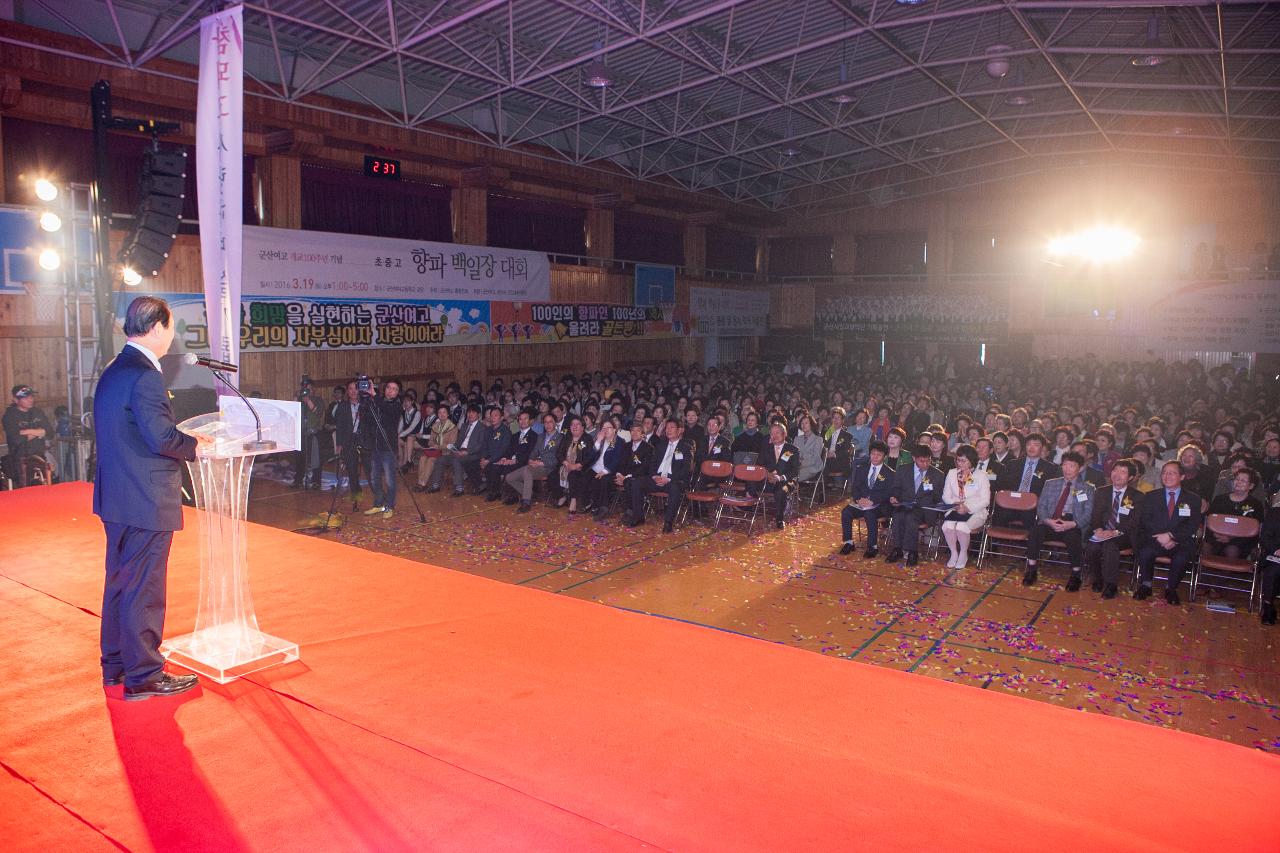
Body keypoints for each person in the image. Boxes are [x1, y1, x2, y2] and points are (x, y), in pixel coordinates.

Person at [93, 296, 209, 701]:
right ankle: (144, 675)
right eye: (172, 326)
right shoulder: (144, 374)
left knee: (120, 584)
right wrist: (196, 444)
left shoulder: (114, 370)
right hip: (144, 499)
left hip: (118, 498)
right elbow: (161, 436)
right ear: (158, 328)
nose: (172, 334)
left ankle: (116, 666)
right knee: (144, 587)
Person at [1134, 460, 1203, 605]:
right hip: (1155, 538)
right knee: (1145, 552)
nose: (1167, 476)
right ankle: (1145, 584)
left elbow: (1192, 524)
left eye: (1172, 473)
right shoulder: (1151, 496)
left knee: (1182, 557)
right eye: (1164, 473)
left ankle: (1171, 588)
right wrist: (1161, 537)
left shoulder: (1193, 499)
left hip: (1180, 540)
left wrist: (1171, 536)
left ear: (1182, 477)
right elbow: (1145, 520)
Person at [1022, 451, 1095, 588]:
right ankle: (1031, 569)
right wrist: (1047, 520)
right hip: (1051, 520)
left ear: (1080, 468)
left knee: (1074, 539)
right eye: (1065, 465)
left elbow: (1088, 513)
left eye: (1072, 466)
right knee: (1035, 532)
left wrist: (1072, 524)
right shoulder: (1050, 483)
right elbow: (1041, 507)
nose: (1067, 469)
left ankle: (1075, 574)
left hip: (1072, 522)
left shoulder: (1087, 489)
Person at [1082, 458, 1143, 600]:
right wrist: (1098, 530)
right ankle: (1098, 579)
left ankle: (1111, 585)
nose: (1117, 474)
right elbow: (1095, 515)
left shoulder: (1138, 496)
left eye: (1123, 472)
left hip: (1124, 534)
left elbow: (1134, 522)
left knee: (1110, 545)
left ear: (1131, 477)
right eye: (1115, 470)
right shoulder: (1102, 492)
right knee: (1092, 547)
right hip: (1102, 531)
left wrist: (1114, 532)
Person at [623, 418, 694, 533]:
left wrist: (669, 479)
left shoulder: (686, 447)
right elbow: (652, 463)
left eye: (672, 427)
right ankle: (638, 517)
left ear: (680, 430)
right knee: (637, 483)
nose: (668, 430)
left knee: (675, 488)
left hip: (673, 480)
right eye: (667, 428)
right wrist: (654, 476)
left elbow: (687, 469)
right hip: (657, 478)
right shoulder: (661, 445)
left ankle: (668, 522)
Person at [885, 445, 946, 567]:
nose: (925, 464)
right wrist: (894, 497)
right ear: (914, 458)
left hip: (924, 510)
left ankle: (912, 551)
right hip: (905, 505)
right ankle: (897, 548)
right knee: (897, 515)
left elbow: (938, 497)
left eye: (928, 460)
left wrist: (929, 501)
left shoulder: (937, 475)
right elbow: (896, 488)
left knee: (911, 517)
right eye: (921, 461)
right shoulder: (903, 470)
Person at [939, 444, 990, 570]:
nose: (959, 463)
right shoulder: (951, 473)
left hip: (975, 511)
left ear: (971, 461)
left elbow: (985, 500)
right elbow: (946, 496)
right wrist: (955, 504)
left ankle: (963, 553)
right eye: (958, 460)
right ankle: (954, 553)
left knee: (962, 527)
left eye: (963, 460)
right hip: (955, 508)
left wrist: (967, 508)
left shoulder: (981, 476)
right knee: (947, 527)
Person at [840, 440, 893, 558]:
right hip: (861, 502)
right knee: (846, 512)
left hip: (879, 505)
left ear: (884, 456)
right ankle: (848, 542)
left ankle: (872, 546)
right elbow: (855, 488)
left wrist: (873, 500)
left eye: (879, 455)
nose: (875, 457)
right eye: (873, 453)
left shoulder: (889, 473)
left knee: (870, 514)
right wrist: (859, 499)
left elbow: (888, 493)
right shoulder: (861, 468)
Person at [363, 379, 403, 519]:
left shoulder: (397, 406)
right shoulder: (377, 402)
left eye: (395, 389)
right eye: (389, 387)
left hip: (388, 448)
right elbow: (368, 419)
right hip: (375, 446)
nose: (391, 390)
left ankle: (390, 506)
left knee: (390, 480)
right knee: (374, 478)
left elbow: (385, 409)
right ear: (385, 389)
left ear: (398, 393)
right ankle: (379, 503)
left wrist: (374, 395)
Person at [505, 413, 561, 512]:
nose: (548, 425)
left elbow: (559, 457)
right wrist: (531, 459)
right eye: (545, 422)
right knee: (509, 477)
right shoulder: (541, 437)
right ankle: (529, 493)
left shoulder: (560, 438)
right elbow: (534, 452)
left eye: (550, 422)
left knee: (527, 470)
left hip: (549, 467)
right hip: (535, 465)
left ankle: (526, 501)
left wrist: (541, 463)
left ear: (555, 423)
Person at [1205, 467, 1264, 557]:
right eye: (1237, 479)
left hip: (1241, 541)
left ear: (1251, 486)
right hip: (1216, 537)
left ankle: (1229, 571)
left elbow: (1256, 529)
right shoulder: (1220, 499)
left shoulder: (1256, 504)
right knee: (1205, 547)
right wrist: (1216, 534)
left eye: (1243, 481)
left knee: (1232, 550)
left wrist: (1232, 538)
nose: (1238, 482)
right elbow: (1209, 520)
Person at [3, 384, 54, 487]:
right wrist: (39, 432)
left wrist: (26, 431)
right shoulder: (10, 416)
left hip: (40, 457)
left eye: (31, 397)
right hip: (21, 460)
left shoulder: (37, 412)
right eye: (25, 398)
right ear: (15, 400)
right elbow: (16, 439)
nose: (30, 400)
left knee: (44, 490)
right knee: (25, 490)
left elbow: (50, 433)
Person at [429, 403, 483, 495]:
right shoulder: (464, 426)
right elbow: (458, 442)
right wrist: (453, 447)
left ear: (478, 415)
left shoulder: (482, 428)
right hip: (458, 451)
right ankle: (435, 485)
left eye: (473, 412)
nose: (470, 414)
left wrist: (466, 452)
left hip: (472, 454)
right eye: (469, 412)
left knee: (456, 460)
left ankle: (459, 488)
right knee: (440, 459)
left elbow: (480, 445)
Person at [488, 409, 536, 502]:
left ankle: (512, 496)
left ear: (530, 421)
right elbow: (509, 450)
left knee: (509, 468)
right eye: (520, 419)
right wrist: (504, 458)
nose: (523, 421)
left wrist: (515, 460)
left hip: (524, 462)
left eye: (525, 419)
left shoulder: (534, 436)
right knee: (494, 465)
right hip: (513, 460)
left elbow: (530, 453)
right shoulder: (515, 435)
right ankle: (494, 492)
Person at [334, 380, 370, 501]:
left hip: (364, 439)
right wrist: (339, 444)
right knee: (351, 468)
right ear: (347, 392)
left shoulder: (366, 405)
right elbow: (339, 426)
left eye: (356, 388)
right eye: (350, 389)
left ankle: (378, 494)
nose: (354, 391)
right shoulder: (342, 406)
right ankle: (356, 492)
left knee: (369, 467)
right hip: (349, 440)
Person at [761, 421, 799, 529]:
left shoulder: (792, 450)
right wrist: (768, 475)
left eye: (777, 432)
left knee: (781, 490)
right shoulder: (766, 449)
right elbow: (759, 465)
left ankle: (779, 518)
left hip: (789, 481)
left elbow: (795, 470)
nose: (775, 436)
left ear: (784, 434)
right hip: (768, 479)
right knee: (750, 483)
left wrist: (781, 477)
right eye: (772, 433)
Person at [413, 404, 455, 491]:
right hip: (434, 451)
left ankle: (423, 483)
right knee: (423, 458)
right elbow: (430, 441)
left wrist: (439, 446)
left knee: (431, 460)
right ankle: (420, 481)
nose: (442, 414)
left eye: (444, 412)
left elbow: (451, 445)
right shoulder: (435, 425)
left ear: (448, 414)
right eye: (440, 412)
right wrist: (432, 445)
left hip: (445, 452)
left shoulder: (453, 427)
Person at [587, 420, 625, 519]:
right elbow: (590, 456)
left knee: (603, 480)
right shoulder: (601, 439)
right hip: (596, 468)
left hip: (611, 471)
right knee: (584, 475)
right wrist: (598, 441)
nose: (606, 430)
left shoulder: (619, 441)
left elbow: (617, 460)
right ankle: (589, 503)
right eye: (603, 428)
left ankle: (603, 508)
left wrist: (604, 472)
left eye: (609, 428)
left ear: (614, 430)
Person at [1258, 497, 1280, 625]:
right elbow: (1265, 537)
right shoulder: (1274, 513)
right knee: (1273, 571)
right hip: (1276, 555)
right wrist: (1276, 550)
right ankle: (1268, 605)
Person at [793, 413, 824, 483]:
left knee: (793, 476)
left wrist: (801, 463)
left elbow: (815, 458)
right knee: (785, 474)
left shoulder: (818, 439)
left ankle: (790, 492)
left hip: (812, 468)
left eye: (806, 423)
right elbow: (792, 454)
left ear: (811, 424)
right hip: (797, 466)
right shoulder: (797, 439)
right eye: (802, 423)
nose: (804, 425)